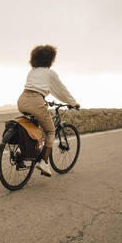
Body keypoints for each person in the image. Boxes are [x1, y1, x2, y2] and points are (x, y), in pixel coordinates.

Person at [17, 45, 79, 177]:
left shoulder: (32, 71)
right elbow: (61, 90)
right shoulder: (50, 73)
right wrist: (73, 103)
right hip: (37, 101)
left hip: (22, 100)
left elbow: (37, 87)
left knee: (32, 127)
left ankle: (24, 153)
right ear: (50, 59)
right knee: (50, 130)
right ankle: (44, 162)